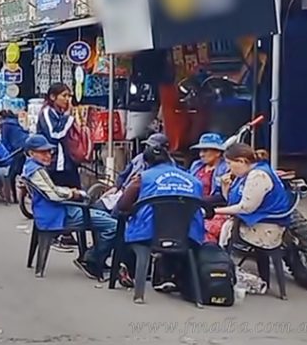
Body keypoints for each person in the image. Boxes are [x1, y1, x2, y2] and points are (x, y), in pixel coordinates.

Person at [113, 139, 205, 296]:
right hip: (187, 235)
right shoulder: (194, 181)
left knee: (122, 222)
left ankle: (126, 268)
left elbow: (122, 205)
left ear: (147, 163)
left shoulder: (143, 177)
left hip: (148, 235)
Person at [21, 134, 116, 280]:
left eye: (49, 151)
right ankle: (90, 260)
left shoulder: (30, 167)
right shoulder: (36, 171)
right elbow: (53, 194)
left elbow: (52, 190)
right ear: (31, 153)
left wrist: (69, 192)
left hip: (54, 211)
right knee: (113, 226)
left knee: (104, 216)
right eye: (43, 152)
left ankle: (93, 258)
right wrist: (72, 193)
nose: (48, 155)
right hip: (58, 214)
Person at [213, 144, 292, 252]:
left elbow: (246, 208)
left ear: (241, 161)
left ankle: (226, 263)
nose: (228, 168)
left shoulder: (258, 176)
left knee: (218, 226)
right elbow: (232, 203)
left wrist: (214, 211)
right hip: (258, 220)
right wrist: (225, 187)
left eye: (229, 163)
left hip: (266, 228)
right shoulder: (245, 174)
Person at [188, 133, 231, 243]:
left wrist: (201, 201)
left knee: (207, 230)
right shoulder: (196, 165)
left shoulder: (226, 168)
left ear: (217, 152)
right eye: (200, 151)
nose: (201, 154)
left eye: (205, 150)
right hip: (192, 205)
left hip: (215, 209)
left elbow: (225, 196)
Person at [35, 83, 79, 189]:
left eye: (69, 96)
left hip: (66, 162)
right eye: (64, 96)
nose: (67, 99)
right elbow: (55, 134)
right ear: (53, 97)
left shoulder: (59, 113)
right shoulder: (47, 112)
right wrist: (68, 116)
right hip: (55, 163)